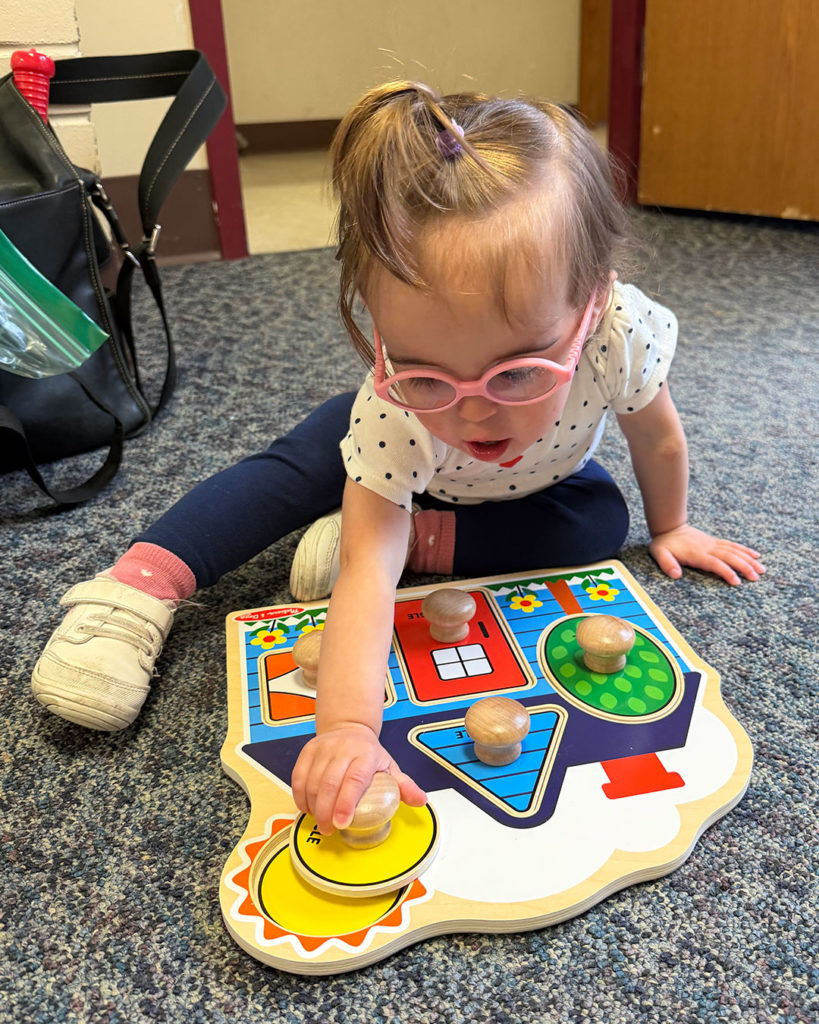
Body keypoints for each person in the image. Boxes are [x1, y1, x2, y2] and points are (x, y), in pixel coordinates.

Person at [32, 82, 764, 833]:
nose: (472, 410)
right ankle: (132, 591)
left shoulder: (620, 331)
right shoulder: (393, 411)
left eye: (516, 371)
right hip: (389, 454)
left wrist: (671, 527)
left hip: (535, 482)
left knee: (599, 523)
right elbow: (366, 579)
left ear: (591, 309)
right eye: (423, 369)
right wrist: (346, 727)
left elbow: (657, 436)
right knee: (286, 475)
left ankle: (404, 532)